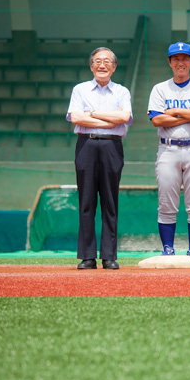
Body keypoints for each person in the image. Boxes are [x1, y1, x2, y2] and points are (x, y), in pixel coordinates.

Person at [148, 42, 190, 258]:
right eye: (176, 58)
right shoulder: (160, 88)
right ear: (169, 62)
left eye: (184, 58)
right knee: (166, 201)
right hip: (168, 149)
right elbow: (157, 119)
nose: (180, 62)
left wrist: (175, 111)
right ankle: (168, 248)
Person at [67, 47, 133, 270]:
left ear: (114, 66)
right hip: (86, 144)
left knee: (110, 202)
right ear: (91, 65)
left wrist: (92, 114)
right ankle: (87, 256)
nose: (102, 65)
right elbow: (76, 117)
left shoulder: (122, 91)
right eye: (97, 61)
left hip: (112, 147)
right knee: (86, 201)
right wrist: (109, 120)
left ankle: (108, 256)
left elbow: (124, 117)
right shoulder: (80, 89)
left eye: (107, 61)